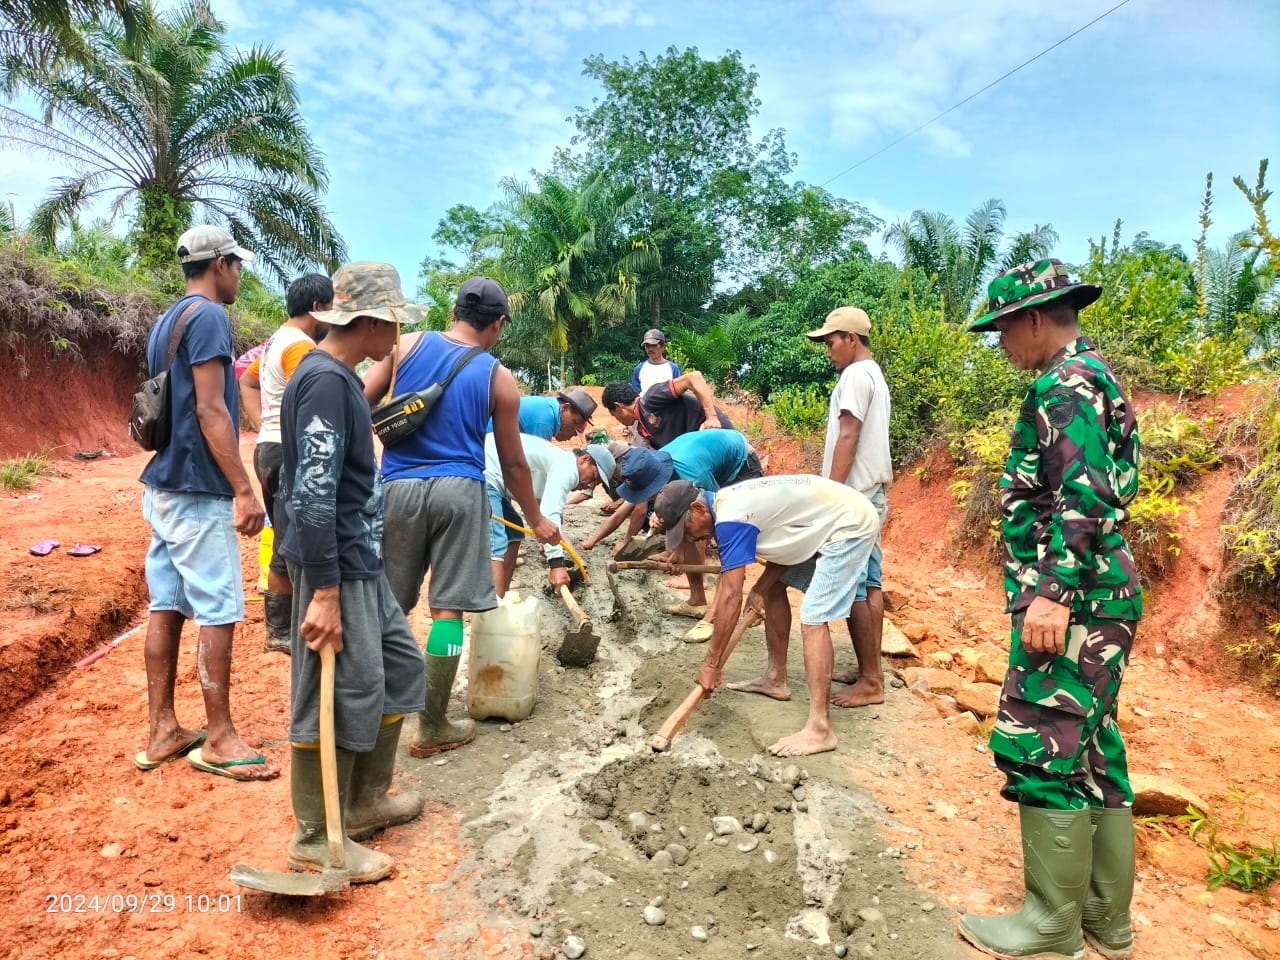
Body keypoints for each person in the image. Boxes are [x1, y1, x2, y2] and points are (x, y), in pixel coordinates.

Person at [956, 259, 1142, 960]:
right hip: (1101, 590)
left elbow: (1084, 493)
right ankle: (1105, 921)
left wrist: (1052, 595)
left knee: (1041, 742)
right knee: (1092, 748)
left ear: (1034, 319)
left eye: (1003, 329)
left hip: (1077, 595)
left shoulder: (1064, 384)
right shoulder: (1093, 376)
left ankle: (1050, 926)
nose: (1001, 344)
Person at [362, 277, 560, 758]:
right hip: (460, 491)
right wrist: (535, 518)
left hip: (399, 488)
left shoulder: (405, 344)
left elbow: (357, 401)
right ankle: (431, 724)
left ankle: (369, 713)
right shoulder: (498, 378)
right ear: (497, 324)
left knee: (389, 605)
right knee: (447, 610)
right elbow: (513, 463)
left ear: (453, 312)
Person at [276, 260, 427, 884]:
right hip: (335, 566)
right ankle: (315, 835)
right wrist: (326, 592)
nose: (396, 331)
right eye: (392, 319)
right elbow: (312, 493)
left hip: (359, 560)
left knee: (398, 667)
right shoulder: (325, 384)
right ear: (367, 321)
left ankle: (364, 801)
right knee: (334, 689)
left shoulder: (338, 379)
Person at [134, 225, 276, 782]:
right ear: (218, 264)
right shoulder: (211, 317)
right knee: (219, 608)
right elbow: (213, 410)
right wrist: (244, 487)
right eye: (236, 265)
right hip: (197, 487)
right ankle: (219, 738)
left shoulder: (165, 321)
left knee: (165, 604)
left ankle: (162, 728)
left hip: (162, 485)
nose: (239, 274)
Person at [656, 475, 879, 756]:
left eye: (686, 528)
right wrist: (759, 590)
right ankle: (776, 679)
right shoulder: (730, 507)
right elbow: (783, 542)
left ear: (698, 509)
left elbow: (729, 596)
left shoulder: (731, 518)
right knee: (772, 591)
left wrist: (712, 665)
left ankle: (820, 729)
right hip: (818, 525)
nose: (690, 537)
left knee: (812, 617)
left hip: (847, 525)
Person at [239, 273, 334, 653]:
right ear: (317, 307)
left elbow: (246, 382)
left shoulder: (278, 338)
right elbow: (311, 397)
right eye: (331, 309)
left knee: (281, 536)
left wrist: (262, 424)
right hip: (286, 453)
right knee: (293, 540)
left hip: (267, 448)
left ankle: (280, 629)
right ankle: (283, 630)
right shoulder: (301, 346)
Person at [809, 306, 892, 708]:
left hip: (855, 496)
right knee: (871, 584)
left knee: (856, 589)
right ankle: (868, 671)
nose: (828, 351)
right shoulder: (873, 374)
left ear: (851, 339)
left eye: (831, 342)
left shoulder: (856, 376)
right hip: (871, 494)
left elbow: (849, 434)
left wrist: (831, 495)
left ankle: (871, 683)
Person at [485, 435, 615, 596]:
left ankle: (501, 597)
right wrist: (556, 565)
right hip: (485, 473)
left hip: (495, 477)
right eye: (594, 477)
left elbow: (539, 507)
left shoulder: (559, 461)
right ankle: (491, 611)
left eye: (596, 484)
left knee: (513, 535)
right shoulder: (568, 468)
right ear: (584, 459)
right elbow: (549, 513)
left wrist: (547, 533)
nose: (590, 485)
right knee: (497, 541)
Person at [601, 371, 733, 450]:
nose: (618, 421)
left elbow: (694, 377)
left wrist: (711, 417)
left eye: (614, 415)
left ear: (618, 407)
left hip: (719, 433)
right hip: (704, 448)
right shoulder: (643, 430)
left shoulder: (651, 398)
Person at [486, 386, 597, 442]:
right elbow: (536, 468)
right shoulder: (545, 421)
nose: (574, 432)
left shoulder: (547, 407)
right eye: (575, 422)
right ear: (565, 408)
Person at [631, 328, 681, 394]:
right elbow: (635, 395)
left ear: (663, 346)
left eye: (654, 345)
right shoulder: (639, 369)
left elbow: (678, 392)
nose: (650, 349)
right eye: (647, 346)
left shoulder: (673, 368)